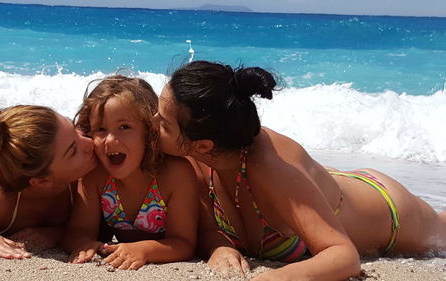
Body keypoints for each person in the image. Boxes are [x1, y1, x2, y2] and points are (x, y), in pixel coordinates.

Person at [154, 60, 446, 281]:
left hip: (392, 215)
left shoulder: (269, 170)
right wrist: (219, 246)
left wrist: (274, 277)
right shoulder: (197, 161)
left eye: (164, 123)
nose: (152, 122)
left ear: (203, 145)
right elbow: (206, 229)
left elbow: (344, 257)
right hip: (324, 186)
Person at [63, 75, 199, 270]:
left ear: (149, 130)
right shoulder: (96, 175)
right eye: (100, 129)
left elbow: (184, 243)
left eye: (124, 127)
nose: (110, 140)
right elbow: (78, 229)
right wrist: (83, 242)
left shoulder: (175, 174)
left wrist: (144, 250)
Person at [0, 104, 97, 259]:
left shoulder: (89, 165)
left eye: (75, 130)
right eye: (73, 151)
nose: (90, 142)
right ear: (41, 181)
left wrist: (58, 234)